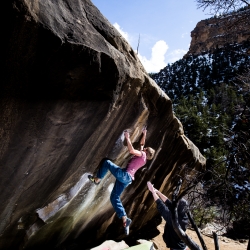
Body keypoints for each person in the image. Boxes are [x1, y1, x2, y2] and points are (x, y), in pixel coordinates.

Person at [88, 129, 155, 235]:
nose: (143, 148)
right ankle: (124, 218)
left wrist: (127, 138)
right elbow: (142, 143)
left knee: (107, 162)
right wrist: (144, 134)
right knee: (114, 197)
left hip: (125, 176)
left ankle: (97, 179)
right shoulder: (144, 159)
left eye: (145, 149)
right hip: (127, 180)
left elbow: (132, 151)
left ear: (146, 151)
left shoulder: (142, 154)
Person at [147, 181, 189, 250]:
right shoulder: (184, 216)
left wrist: (153, 192)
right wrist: (157, 191)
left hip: (177, 248)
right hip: (182, 246)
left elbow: (161, 205)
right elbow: (169, 203)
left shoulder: (174, 219)